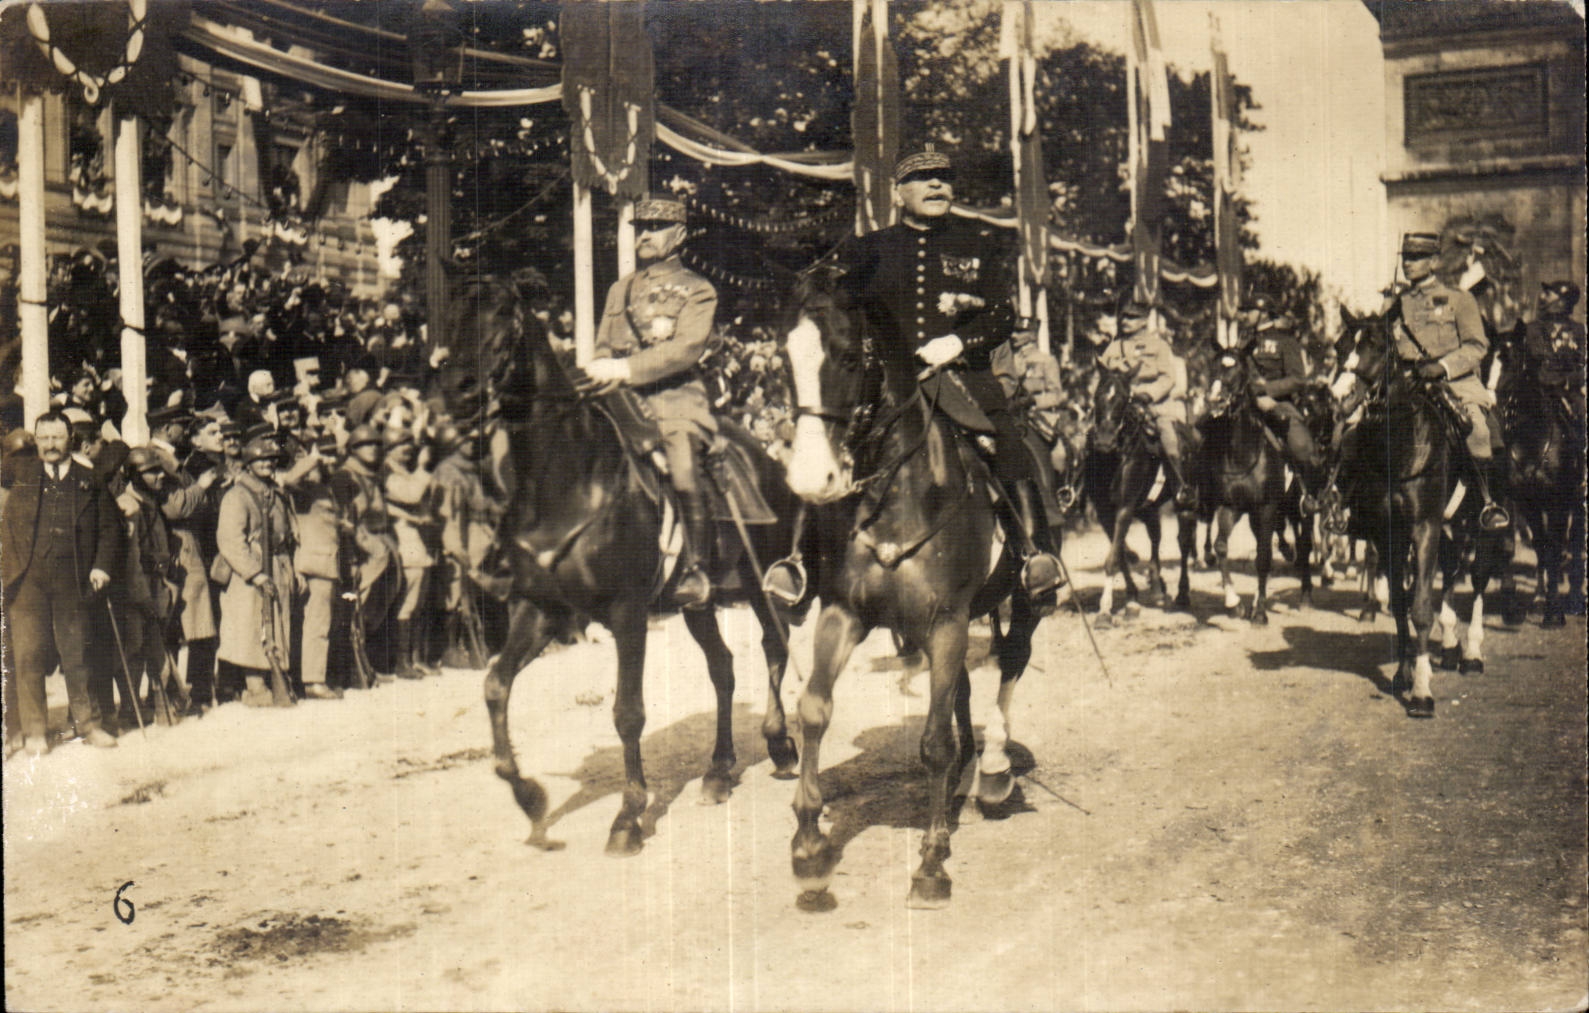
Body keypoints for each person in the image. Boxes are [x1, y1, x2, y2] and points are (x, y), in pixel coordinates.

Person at [804, 148, 1063, 596]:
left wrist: (958, 341)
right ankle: (802, 565)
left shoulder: (976, 245)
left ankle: (1035, 556)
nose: (936, 185)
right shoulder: (870, 249)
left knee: (1006, 442)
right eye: (923, 178)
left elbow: (1002, 314)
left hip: (963, 376)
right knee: (827, 441)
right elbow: (837, 311)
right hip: (882, 381)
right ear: (899, 193)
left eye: (943, 177)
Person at [577, 193, 720, 608]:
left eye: (655, 228)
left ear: (680, 235)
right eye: (640, 228)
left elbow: (685, 350)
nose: (645, 236)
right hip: (620, 400)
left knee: (682, 467)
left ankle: (696, 569)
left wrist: (626, 369)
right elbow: (605, 345)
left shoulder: (698, 290)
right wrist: (602, 366)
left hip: (675, 400)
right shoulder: (620, 290)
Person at [1341, 232, 1508, 530]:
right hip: (1404, 384)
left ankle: (1486, 503)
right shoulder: (1395, 305)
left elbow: (1476, 346)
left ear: (1434, 261)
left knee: (1478, 431)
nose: (1409, 264)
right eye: (1406, 258)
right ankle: (1353, 507)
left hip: (1453, 383)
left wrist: (1442, 366)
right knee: (1356, 434)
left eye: (1417, 258)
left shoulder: (1460, 299)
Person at [2, 411, 121, 755]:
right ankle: (35, 731)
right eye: (43, 438)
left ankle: (89, 725)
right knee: (28, 653)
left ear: (70, 438)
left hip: (74, 578)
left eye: (56, 437)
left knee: (78, 653)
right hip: (28, 581)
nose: (50, 445)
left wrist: (101, 567)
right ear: (35, 440)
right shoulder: (20, 475)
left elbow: (110, 528)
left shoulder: (90, 479)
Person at [215, 432, 297, 707]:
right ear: (248, 464)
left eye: (271, 460)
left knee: (276, 622)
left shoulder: (274, 492)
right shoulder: (237, 495)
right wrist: (255, 572)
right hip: (248, 571)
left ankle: (275, 679)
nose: (267, 465)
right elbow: (230, 539)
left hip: (275, 562)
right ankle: (254, 684)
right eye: (260, 461)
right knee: (250, 627)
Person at [109, 447, 182, 728]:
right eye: (151, 471)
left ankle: (145, 702)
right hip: (135, 587)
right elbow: (131, 558)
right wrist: (141, 596)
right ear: (133, 475)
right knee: (134, 647)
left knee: (150, 644)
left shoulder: (148, 501)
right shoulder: (130, 506)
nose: (160, 475)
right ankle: (129, 707)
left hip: (154, 583)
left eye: (159, 469)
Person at [1098, 301, 1196, 508]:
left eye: (1132, 317)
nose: (1125, 321)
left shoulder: (1158, 346)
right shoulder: (1114, 347)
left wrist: (1148, 394)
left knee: (1168, 439)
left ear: (1143, 321)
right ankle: (1074, 490)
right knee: (1089, 438)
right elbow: (1102, 378)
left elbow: (1168, 377)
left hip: (1154, 406)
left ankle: (1180, 487)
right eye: (1124, 317)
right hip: (1120, 407)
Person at [331, 424, 401, 677]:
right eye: (364, 445)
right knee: (358, 607)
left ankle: (370, 664)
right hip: (362, 551)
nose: (372, 448)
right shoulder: (345, 476)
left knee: (379, 606)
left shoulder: (373, 475)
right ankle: (354, 667)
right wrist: (365, 544)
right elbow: (343, 519)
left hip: (381, 547)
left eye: (375, 444)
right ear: (352, 448)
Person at [1245, 301, 1325, 513]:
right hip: (1244, 402)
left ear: (1264, 313)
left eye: (1249, 309)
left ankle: (1309, 495)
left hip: (1277, 403)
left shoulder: (1286, 342)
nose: (1244, 315)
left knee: (1301, 445)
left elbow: (1298, 379)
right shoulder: (1243, 341)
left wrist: (1267, 390)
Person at [382, 427, 439, 678]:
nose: (407, 451)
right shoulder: (386, 473)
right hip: (406, 544)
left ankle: (415, 658)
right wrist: (424, 468)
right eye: (400, 447)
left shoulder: (403, 471)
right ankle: (402, 662)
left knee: (418, 604)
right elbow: (412, 494)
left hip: (419, 544)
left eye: (409, 446)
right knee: (407, 604)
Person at [1523, 280, 1584, 423]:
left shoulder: (1578, 330)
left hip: (1570, 394)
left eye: (1548, 294)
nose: (1542, 297)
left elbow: (1582, 364)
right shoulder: (1532, 329)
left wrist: (1569, 381)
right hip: (1538, 395)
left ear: (1562, 301)